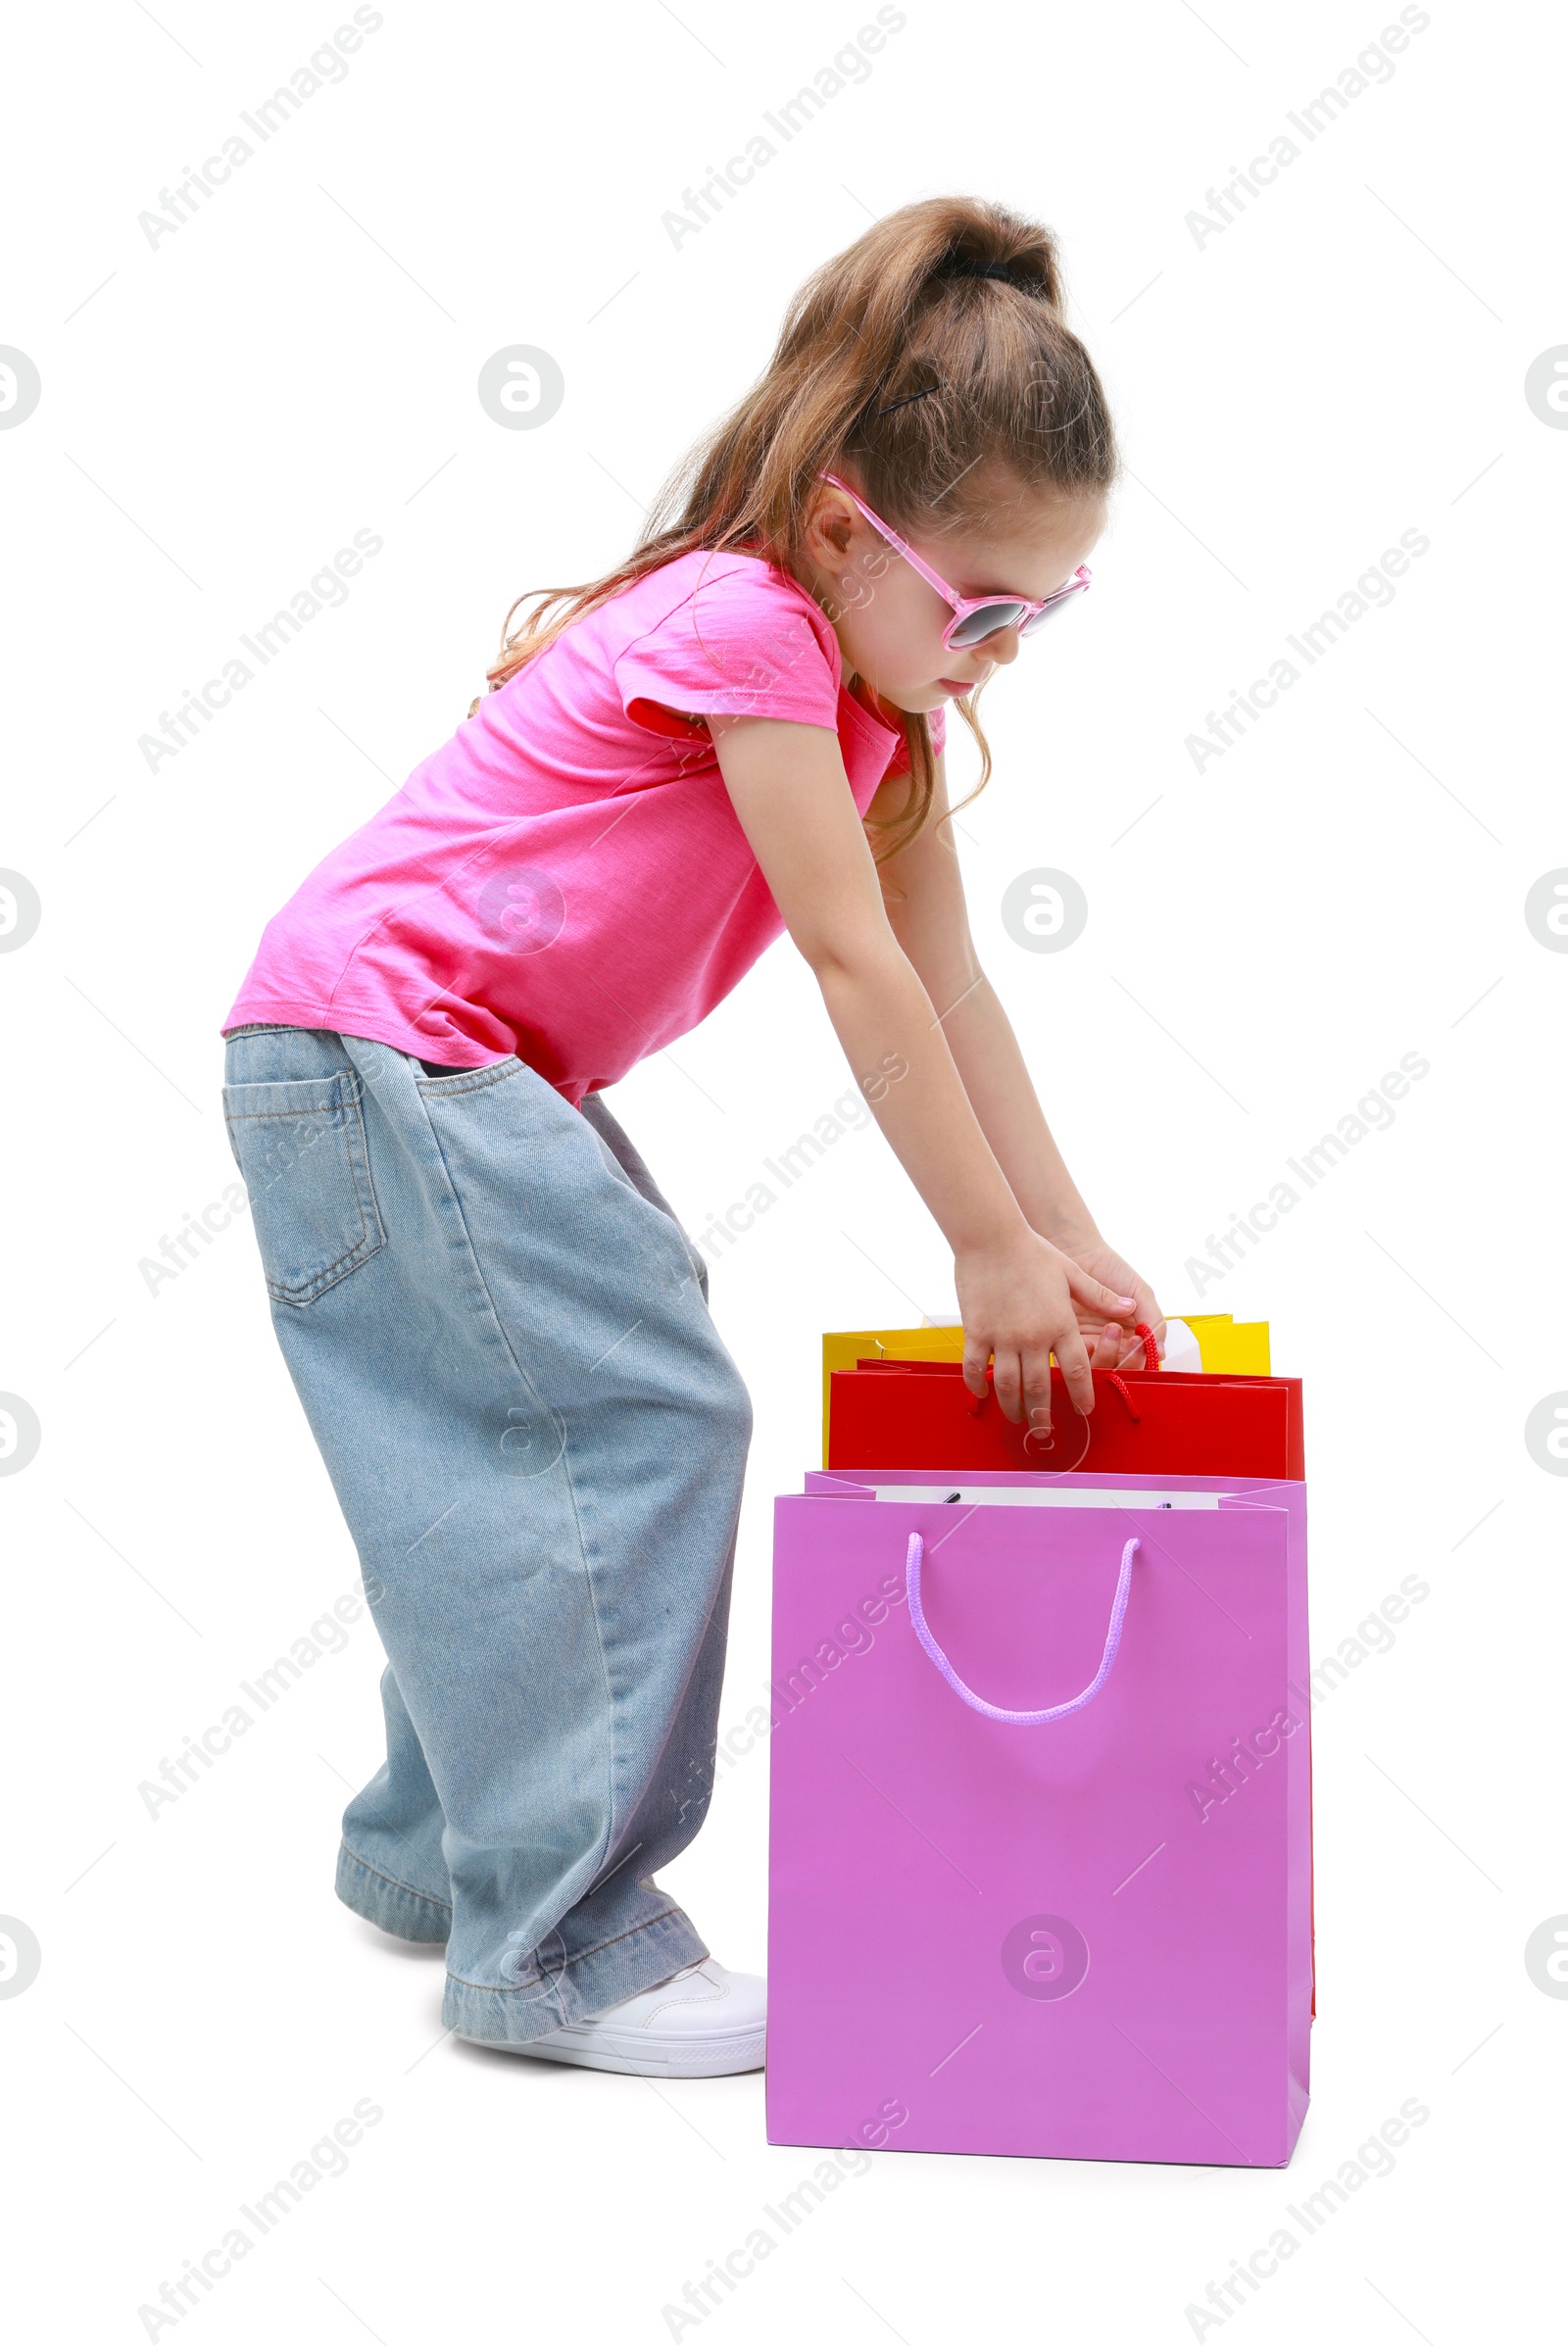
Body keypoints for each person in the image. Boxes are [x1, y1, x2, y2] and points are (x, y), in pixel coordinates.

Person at [220, 193, 1165, 2077]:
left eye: (1042, 616)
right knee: (643, 1413)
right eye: (977, 606)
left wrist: (1058, 1230)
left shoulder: (876, 707)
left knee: (532, 1421)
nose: (994, 654)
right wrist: (976, 1249)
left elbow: (952, 980)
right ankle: (566, 1942)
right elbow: (850, 965)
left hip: (413, 1060)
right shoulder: (748, 625)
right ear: (841, 523)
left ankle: (441, 1856)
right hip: (388, 1047)